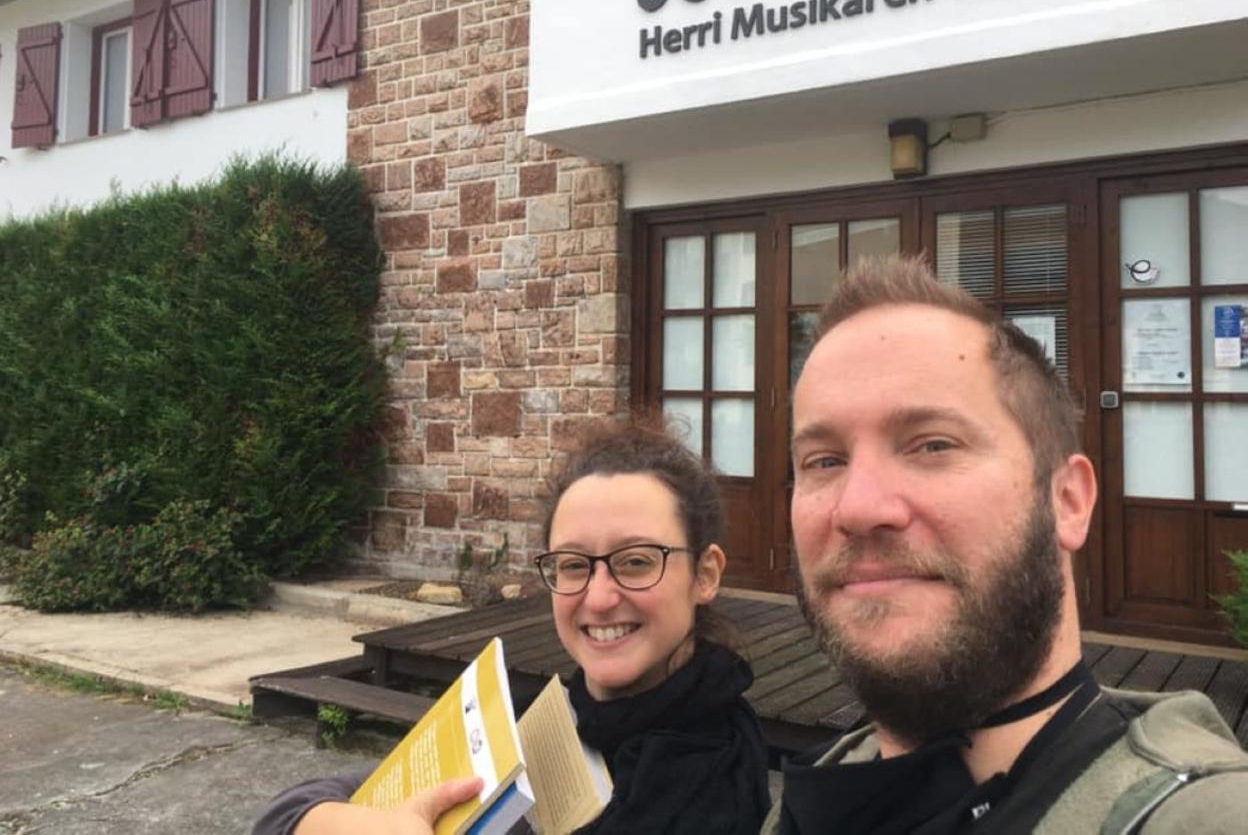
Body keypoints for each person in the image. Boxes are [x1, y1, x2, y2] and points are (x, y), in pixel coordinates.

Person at [763, 256, 1248, 834]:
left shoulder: (1197, 815)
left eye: (933, 445)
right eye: (824, 461)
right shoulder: (817, 793)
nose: (859, 508)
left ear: (1068, 500)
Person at [254, 421, 770, 835]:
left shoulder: (713, 777)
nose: (599, 596)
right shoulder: (550, 720)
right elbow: (286, 814)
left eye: (636, 562)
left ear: (705, 575)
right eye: (573, 565)